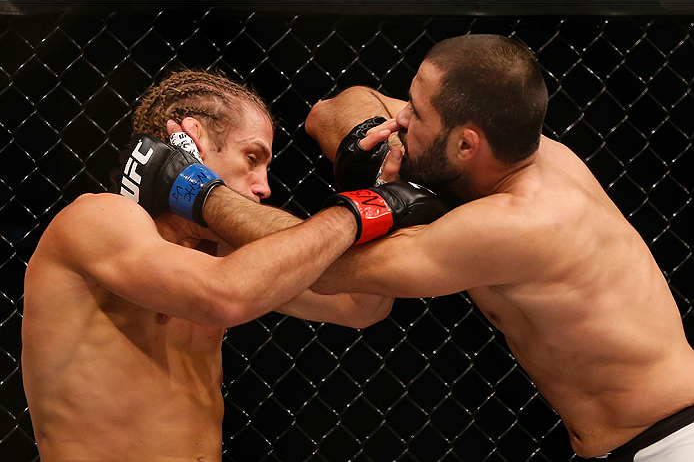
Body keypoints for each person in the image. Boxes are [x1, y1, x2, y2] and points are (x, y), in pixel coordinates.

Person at [21, 70, 447, 461]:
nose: (263, 187)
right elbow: (223, 296)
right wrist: (357, 213)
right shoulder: (98, 220)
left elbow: (361, 306)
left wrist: (374, 193)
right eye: (251, 158)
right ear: (193, 139)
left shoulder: (221, 254)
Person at [304, 34, 694, 461]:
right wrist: (380, 154)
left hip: (672, 443)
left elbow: (319, 265)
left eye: (416, 112)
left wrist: (220, 207)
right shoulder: (506, 151)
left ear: (466, 145)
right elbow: (339, 106)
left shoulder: (518, 223)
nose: (399, 116)